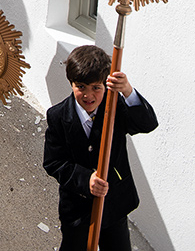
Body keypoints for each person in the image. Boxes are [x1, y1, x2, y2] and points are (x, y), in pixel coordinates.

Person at [44, 45, 158, 251]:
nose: (89, 96)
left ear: (106, 85)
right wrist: (85, 179)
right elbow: (53, 162)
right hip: (77, 211)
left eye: (96, 88)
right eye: (81, 87)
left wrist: (128, 91)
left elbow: (147, 123)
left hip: (114, 204)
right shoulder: (58, 116)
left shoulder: (115, 107)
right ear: (71, 84)